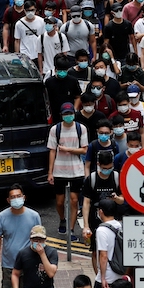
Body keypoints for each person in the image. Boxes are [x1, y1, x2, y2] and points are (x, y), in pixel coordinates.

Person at [48, 102, 89, 239]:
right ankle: (62, 219)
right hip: (59, 171)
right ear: (61, 115)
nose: (68, 116)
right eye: (66, 114)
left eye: (70, 113)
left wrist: (68, 150)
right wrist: (50, 172)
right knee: (59, 202)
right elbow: (52, 151)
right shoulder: (55, 129)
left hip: (76, 170)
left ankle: (71, 230)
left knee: (73, 200)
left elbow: (84, 149)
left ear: (74, 114)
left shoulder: (80, 128)